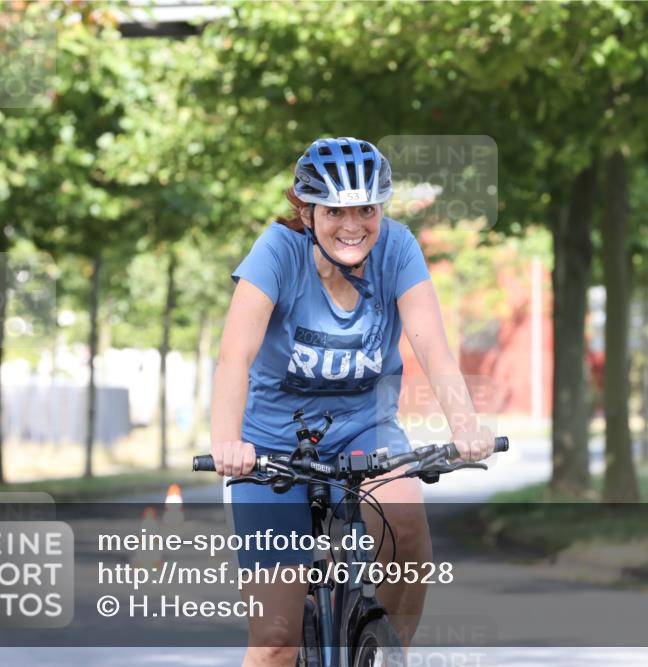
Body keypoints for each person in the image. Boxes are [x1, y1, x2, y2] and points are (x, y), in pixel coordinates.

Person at [211, 137, 496, 666]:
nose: (352, 224)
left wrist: (466, 426)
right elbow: (235, 355)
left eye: (366, 208)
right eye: (336, 210)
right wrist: (228, 442)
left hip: (366, 428)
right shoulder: (277, 251)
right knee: (276, 641)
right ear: (306, 209)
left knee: (405, 522)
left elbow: (430, 343)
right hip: (273, 444)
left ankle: (386, 654)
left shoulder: (398, 248)